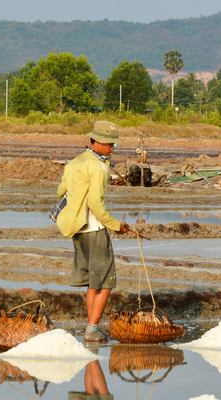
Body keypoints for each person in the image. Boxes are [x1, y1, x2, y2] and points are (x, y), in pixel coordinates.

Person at [56, 120, 128, 342]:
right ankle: (92, 329)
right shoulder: (98, 166)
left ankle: (92, 328)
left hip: (77, 228)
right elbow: (96, 203)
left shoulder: (75, 162)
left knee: (92, 283)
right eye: (109, 144)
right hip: (95, 228)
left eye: (113, 143)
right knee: (105, 282)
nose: (112, 148)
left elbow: (61, 191)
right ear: (96, 142)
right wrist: (116, 225)